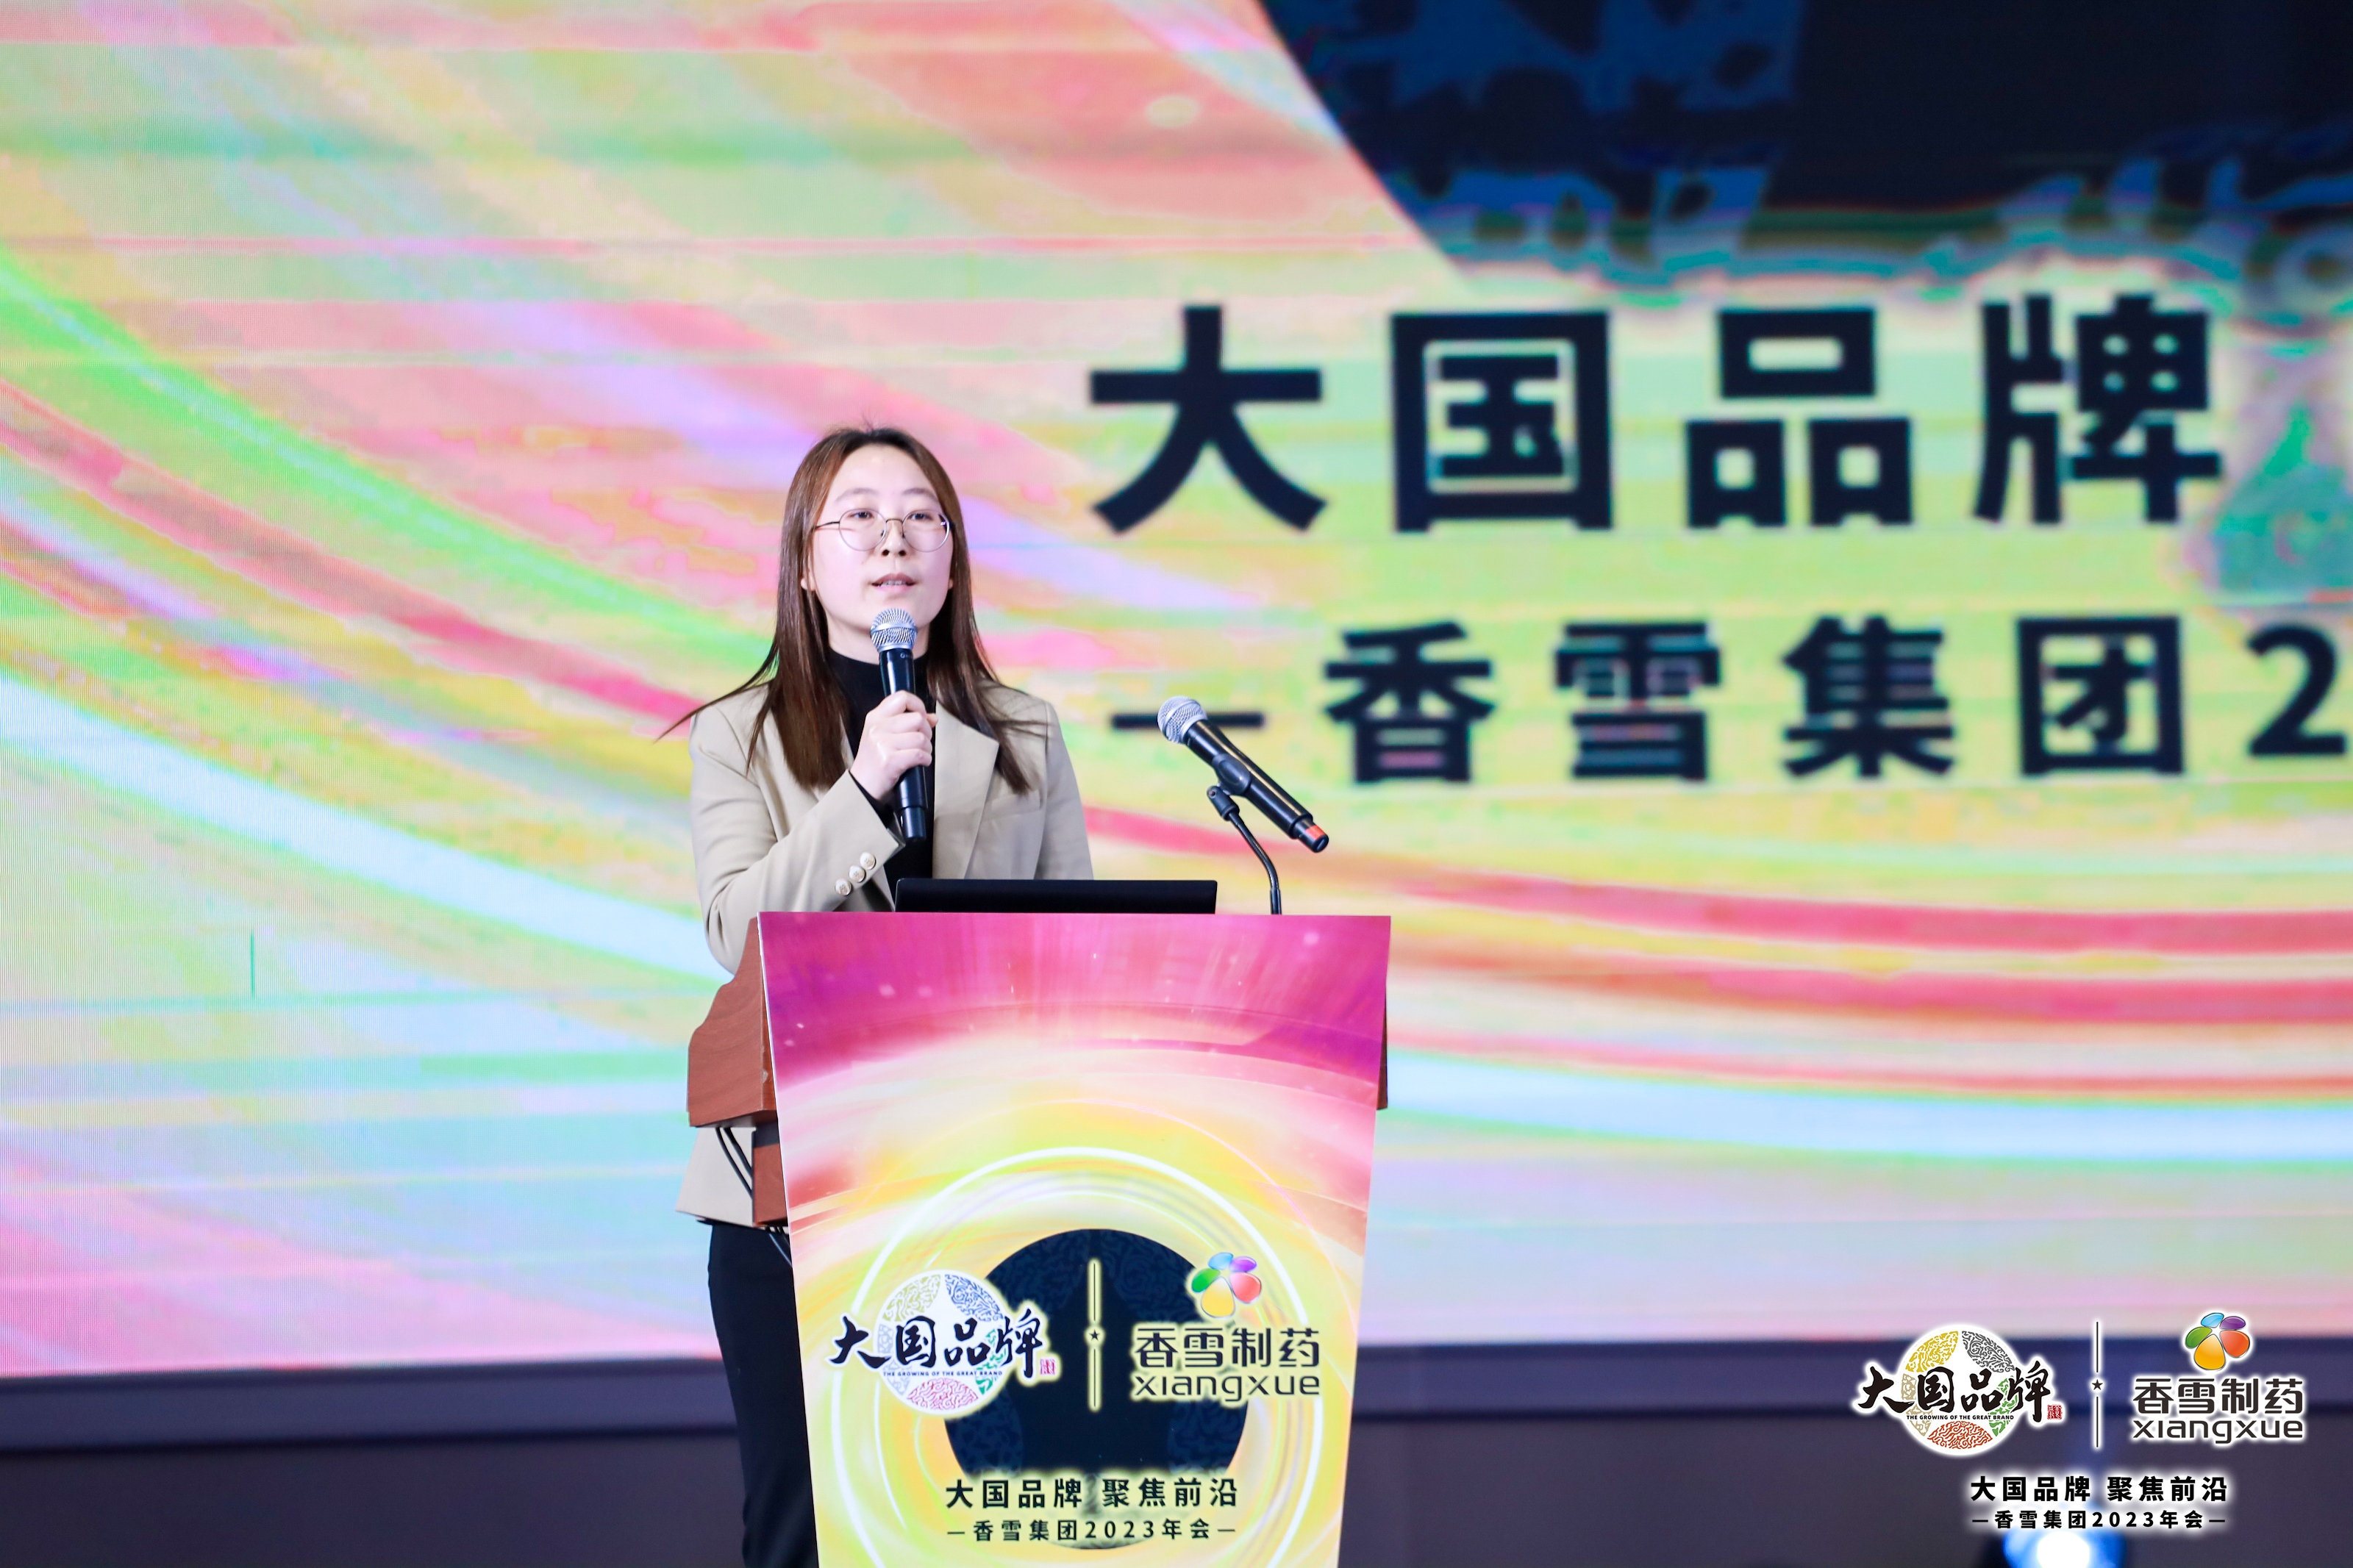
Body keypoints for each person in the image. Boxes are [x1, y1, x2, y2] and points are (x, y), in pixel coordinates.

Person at [674, 426, 1091, 1568]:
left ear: (952, 562)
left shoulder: (1023, 733)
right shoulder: (739, 734)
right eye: (856, 515)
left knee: (973, 1516)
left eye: (920, 515)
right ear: (805, 566)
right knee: (806, 1524)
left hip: (979, 1171)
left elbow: (1077, 947)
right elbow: (736, 928)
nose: (892, 537)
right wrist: (864, 788)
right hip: (789, 1188)